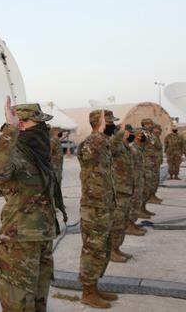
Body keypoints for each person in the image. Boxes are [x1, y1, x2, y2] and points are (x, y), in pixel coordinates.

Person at [0, 98, 65, 312]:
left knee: (39, 301)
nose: (43, 128)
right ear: (21, 125)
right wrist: (9, 130)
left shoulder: (39, 156)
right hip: (19, 240)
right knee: (19, 304)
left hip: (42, 237)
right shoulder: (13, 153)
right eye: (37, 122)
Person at [77, 109, 119, 308]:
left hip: (105, 206)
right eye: (109, 123)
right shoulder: (90, 144)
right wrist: (99, 130)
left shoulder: (104, 145)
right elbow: (85, 153)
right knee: (93, 250)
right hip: (93, 208)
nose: (112, 126)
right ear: (100, 123)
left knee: (103, 249)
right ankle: (87, 292)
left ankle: (94, 286)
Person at [109, 124, 135, 262]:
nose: (130, 134)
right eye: (127, 132)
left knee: (123, 222)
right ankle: (111, 250)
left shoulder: (126, 148)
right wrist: (119, 135)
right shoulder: (116, 146)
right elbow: (112, 147)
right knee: (117, 222)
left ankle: (117, 247)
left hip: (126, 190)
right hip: (118, 191)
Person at [126, 129, 148, 236]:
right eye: (139, 135)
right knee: (133, 202)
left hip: (138, 179)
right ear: (135, 136)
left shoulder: (139, 148)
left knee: (137, 202)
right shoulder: (132, 148)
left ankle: (132, 223)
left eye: (142, 135)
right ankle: (129, 226)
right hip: (133, 180)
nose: (141, 137)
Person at [140, 119, 159, 213]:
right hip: (144, 164)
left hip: (151, 163)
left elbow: (156, 146)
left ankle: (143, 208)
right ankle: (140, 209)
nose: (151, 125)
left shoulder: (150, 135)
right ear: (144, 124)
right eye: (149, 124)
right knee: (145, 187)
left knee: (149, 186)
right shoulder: (142, 134)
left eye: (151, 124)